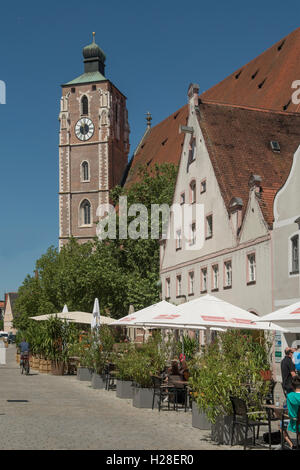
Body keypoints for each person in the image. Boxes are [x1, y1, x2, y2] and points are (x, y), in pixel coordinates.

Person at [282, 375, 300, 449]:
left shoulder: (290, 396)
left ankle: (292, 445)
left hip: (295, 423)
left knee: (280, 425)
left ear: (292, 386)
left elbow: (289, 412)